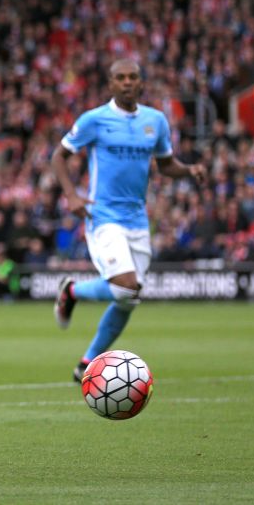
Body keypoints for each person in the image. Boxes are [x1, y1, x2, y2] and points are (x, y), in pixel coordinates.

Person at [51, 59, 205, 382]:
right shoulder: (94, 120)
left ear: (141, 83)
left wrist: (189, 170)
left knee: (129, 300)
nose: (126, 82)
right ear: (111, 84)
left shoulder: (155, 121)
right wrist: (72, 195)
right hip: (103, 216)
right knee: (124, 288)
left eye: (132, 77)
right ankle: (73, 291)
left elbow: (165, 165)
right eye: (120, 78)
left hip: (137, 220)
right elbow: (59, 156)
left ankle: (86, 363)